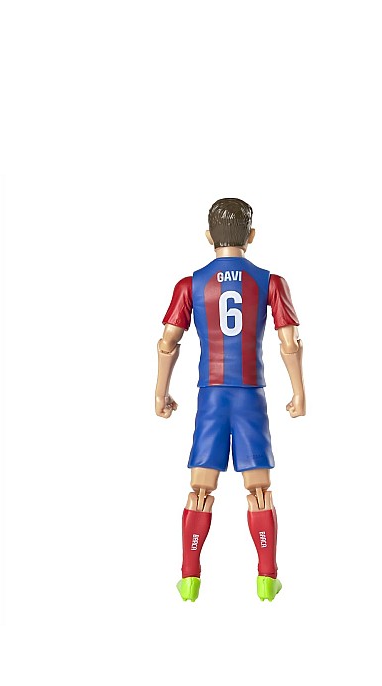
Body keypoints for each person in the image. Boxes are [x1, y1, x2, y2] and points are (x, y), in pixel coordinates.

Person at [155, 198, 305, 602]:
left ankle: (189, 578)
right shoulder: (270, 282)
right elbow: (290, 342)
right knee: (259, 488)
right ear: (251, 236)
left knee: (200, 488)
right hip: (251, 396)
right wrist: (299, 392)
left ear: (209, 237)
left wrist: (160, 392)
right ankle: (267, 577)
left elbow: (168, 342)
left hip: (212, 397)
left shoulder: (191, 284)